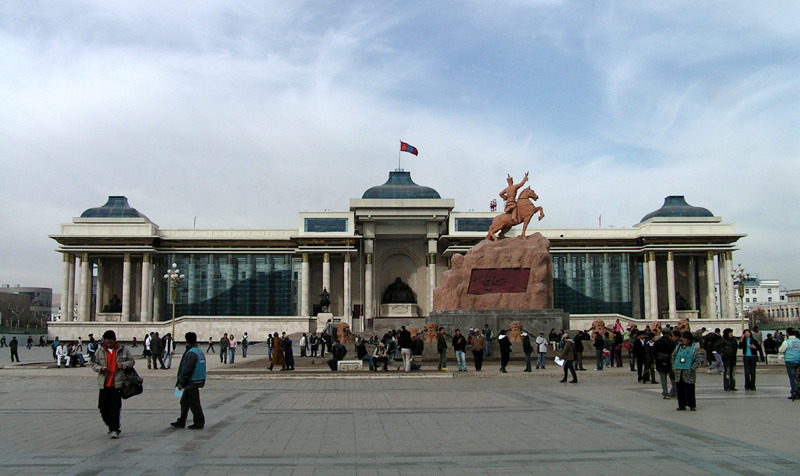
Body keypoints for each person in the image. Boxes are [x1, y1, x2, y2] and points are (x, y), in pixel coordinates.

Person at [92, 330, 135, 439]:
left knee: (115, 408)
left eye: (110, 342)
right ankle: (110, 425)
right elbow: (93, 364)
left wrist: (123, 365)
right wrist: (100, 369)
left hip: (117, 384)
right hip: (104, 383)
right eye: (106, 342)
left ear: (114, 340)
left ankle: (115, 429)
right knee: (102, 407)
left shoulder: (123, 350)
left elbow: (131, 361)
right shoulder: (100, 351)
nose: (108, 344)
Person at [171, 332, 206, 430]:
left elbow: (187, 369)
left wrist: (181, 383)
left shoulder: (191, 353)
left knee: (194, 403)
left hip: (192, 382)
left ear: (187, 340)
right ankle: (181, 420)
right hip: (196, 380)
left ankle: (199, 422)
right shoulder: (198, 351)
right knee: (184, 402)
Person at [672, 331, 700, 411]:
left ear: (689, 340)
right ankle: (681, 405)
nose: (683, 340)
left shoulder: (693, 349)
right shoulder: (678, 347)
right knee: (680, 389)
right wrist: (674, 366)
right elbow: (673, 356)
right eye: (683, 338)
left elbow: (697, 361)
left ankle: (691, 405)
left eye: (685, 338)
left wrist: (692, 368)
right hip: (679, 371)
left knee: (690, 389)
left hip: (689, 372)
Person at [654, 330, 678, 399]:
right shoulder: (671, 342)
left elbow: (655, 353)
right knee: (673, 378)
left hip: (660, 363)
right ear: (668, 333)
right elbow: (674, 354)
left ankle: (665, 393)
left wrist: (660, 361)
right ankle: (676, 392)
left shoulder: (657, 342)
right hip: (670, 363)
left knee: (663, 379)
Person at [778, 328, 800, 399]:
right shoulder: (799, 341)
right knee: (798, 378)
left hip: (790, 361)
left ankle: (794, 393)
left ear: (787, 334)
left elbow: (781, 350)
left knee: (792, 378)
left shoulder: (786, 342)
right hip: (798, 361)